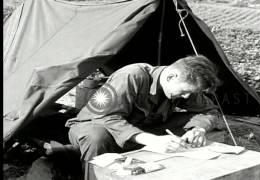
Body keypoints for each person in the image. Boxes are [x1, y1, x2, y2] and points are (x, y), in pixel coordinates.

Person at [65, 55, 221, 179]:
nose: (187, 96)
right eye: (183, 92)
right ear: (171, 76)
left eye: (190, 93)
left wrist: (198, 129)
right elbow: (107, 117)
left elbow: (210, 111)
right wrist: (152, 140)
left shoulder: (185, 86)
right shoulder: (131, 76)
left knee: (191, 122)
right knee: (97, 137)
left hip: (142, 128)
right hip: (96, 125)